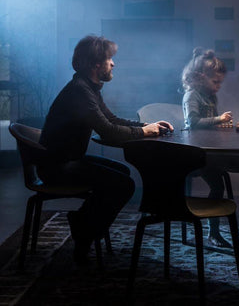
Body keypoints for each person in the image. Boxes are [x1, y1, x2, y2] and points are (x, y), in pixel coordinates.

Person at [38, 35, 173, 264]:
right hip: (57, 166)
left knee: (122, 173)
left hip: (68, 160)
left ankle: (84, 224)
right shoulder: (80, 91)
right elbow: (109, 131)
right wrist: (145, 132)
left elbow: (111, 120)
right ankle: (83, 230)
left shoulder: (87, 88)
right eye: (110, 59)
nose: (113, 63)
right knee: (123, 184)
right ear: (95, 64)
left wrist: (148, 126)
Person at [182, 47, 239, 247]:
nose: (219, 86)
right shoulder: (191, 96)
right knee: (227, 173)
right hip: (194, 153)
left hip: (208, 150)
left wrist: (220, 126)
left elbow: (210, 125)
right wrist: (219, 119)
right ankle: (213, 232)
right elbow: (193, 122)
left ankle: (213, 233)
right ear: (200, 77)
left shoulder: (211, 96)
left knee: (219, 185)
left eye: (220, 82)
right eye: (215, 82)